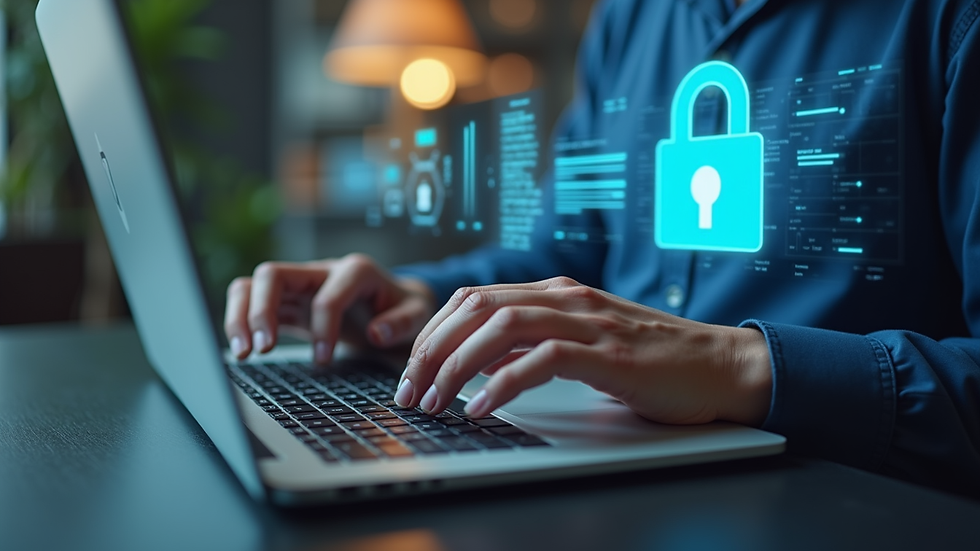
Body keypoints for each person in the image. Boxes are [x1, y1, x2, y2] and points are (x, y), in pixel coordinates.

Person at [224, 0, 980, 496]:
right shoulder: (630, 18)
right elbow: (567, 253)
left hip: (845, 498)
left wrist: (734, 364)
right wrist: (415, 302)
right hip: (616, 483)